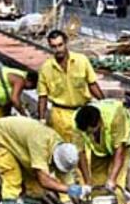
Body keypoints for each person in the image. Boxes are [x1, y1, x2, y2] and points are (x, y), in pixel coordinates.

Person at [0, 116, 91, 204]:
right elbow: (44, 181)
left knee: (36, 189)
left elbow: (68, 185)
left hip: (19, 145)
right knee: (13, 180)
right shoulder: (40, 143)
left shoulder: (64, 153)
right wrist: (72, 190)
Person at [38, 29, 104, 182]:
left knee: (83, 154)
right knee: (62, 154)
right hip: (59, 115)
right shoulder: (46, 68)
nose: (58, 49)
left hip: (81, 113)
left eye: (60, 45)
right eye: (53, 46)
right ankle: (65, 193)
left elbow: (92, 84)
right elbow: (42, 96)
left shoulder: (82, 61)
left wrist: (104, 103)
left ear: (66, 43)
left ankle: (85, 187)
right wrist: (41, 119)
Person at [73, 100, 130, 204]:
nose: (89, 135)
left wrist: (112, 179)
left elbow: (120, 151)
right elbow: (80, 153)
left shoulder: (116, 115)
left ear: (100, 122)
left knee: (116, 183)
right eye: (87, 133)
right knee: (96, 180)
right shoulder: (78, 122)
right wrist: (88, 182)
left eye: (91, 132)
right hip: (100, 147)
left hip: (125, 142)